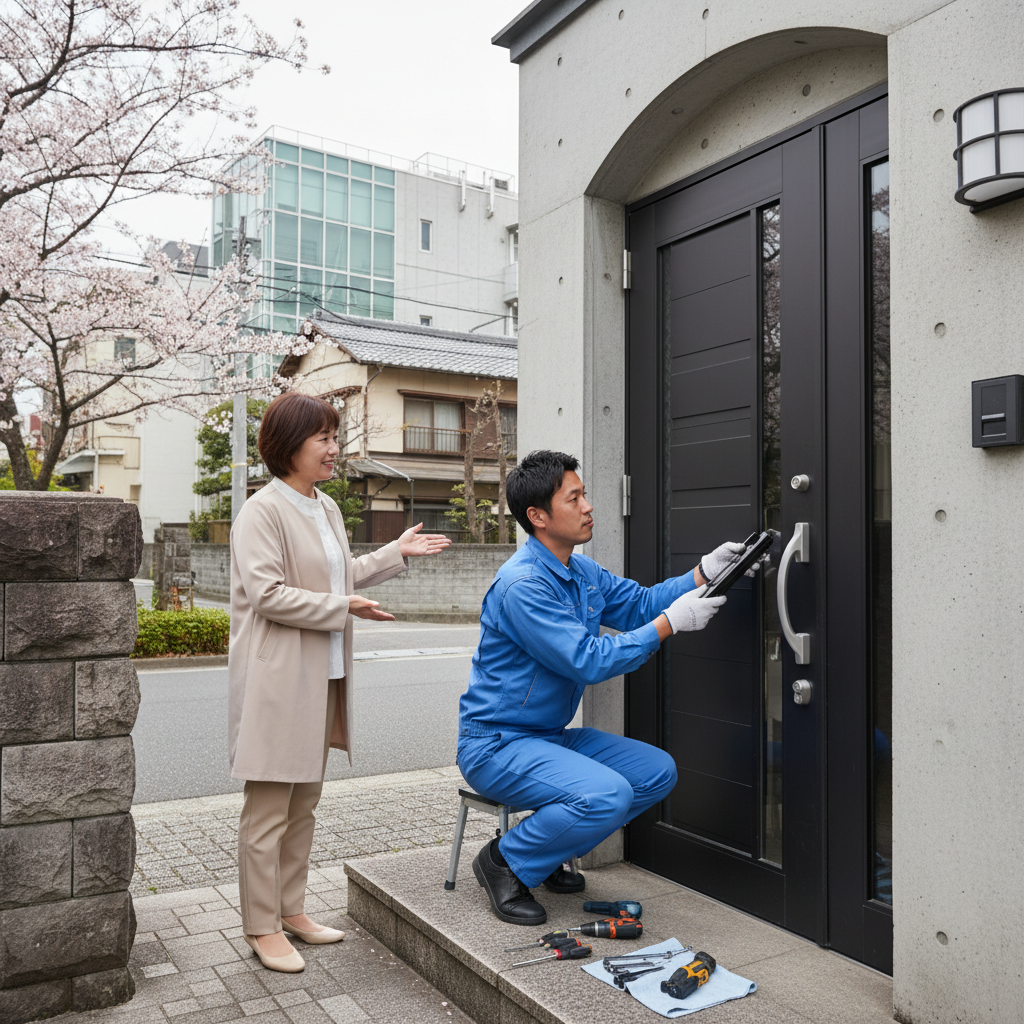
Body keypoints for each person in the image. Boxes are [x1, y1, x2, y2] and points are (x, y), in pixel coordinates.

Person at [458, 450, 753, 925]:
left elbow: (639, 603)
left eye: (584, 494)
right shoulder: (523, 586)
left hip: (548, 737)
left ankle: (545, 851)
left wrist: (703, 573)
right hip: (496, 744)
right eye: (574, 498)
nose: (588, 505)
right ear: (538, 517)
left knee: (655, 772)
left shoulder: (580, 572)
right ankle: (504, 861)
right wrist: (669, 626)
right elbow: (586, 660)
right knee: (606, 794)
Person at [228, 391, 450, 972]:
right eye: (323, 438)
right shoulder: (262, 511)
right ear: (288, 446)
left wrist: (391, 555)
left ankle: (291, 910)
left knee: (303, 805)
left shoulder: (324, 507)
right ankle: (260, 925)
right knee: (268, 809)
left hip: (323, 674)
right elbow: (268, 595)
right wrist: (345, 605)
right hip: (279, 680)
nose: (334, 449)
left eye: (335, 437)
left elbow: (336, 575)